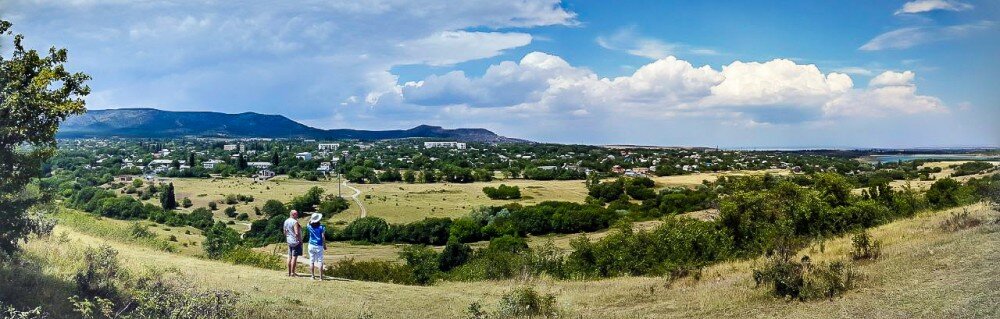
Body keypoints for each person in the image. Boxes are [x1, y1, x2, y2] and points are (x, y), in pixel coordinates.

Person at [306, 213, 327, 281]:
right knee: (320, 261)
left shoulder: (309, 226)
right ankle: (321, 277)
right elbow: (323, 237)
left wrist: (311, 219)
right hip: (319, 245)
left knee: (311, 261)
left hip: (311, 245)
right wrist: (324, 245)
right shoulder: (322, 227)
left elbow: (308, 223)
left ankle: (312, 276)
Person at [282, 210, 302, 277]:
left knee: (289, 256)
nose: (297, 215)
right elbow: (297, 233)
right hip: (295, 241)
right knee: (294, 257)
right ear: (293, 214)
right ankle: (293, 273)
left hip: (289, 240)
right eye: (296, 214)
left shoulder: (286, 221)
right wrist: (300, 241)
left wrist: (288, 236)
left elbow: (284, 232)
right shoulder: (295, 222)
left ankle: (289, 272)